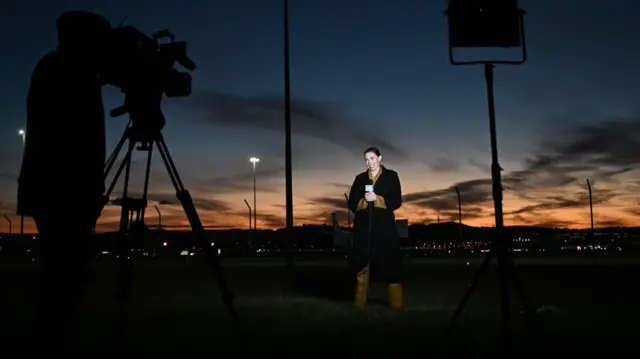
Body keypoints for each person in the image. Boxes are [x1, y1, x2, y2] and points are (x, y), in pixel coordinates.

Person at [17, 11, 112, 351]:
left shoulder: (61, 68)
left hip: (63, 189)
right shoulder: (64, 70)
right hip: (62, 191)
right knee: (64, 278)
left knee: (66, 275)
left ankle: (53, 337)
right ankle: (49, 341)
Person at [347, 146, 404, 309]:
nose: (369, 162)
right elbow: (352, 203)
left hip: (385, 228)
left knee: (391, 264)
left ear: (380, 158)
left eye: (372, 158)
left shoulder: (391, 176)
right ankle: (359, 306)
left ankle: (397, 306)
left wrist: (378, 199)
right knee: (362, 265)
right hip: (363, 228)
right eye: (366, 159)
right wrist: (364, 201)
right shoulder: (359, 179)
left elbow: (397, 201)